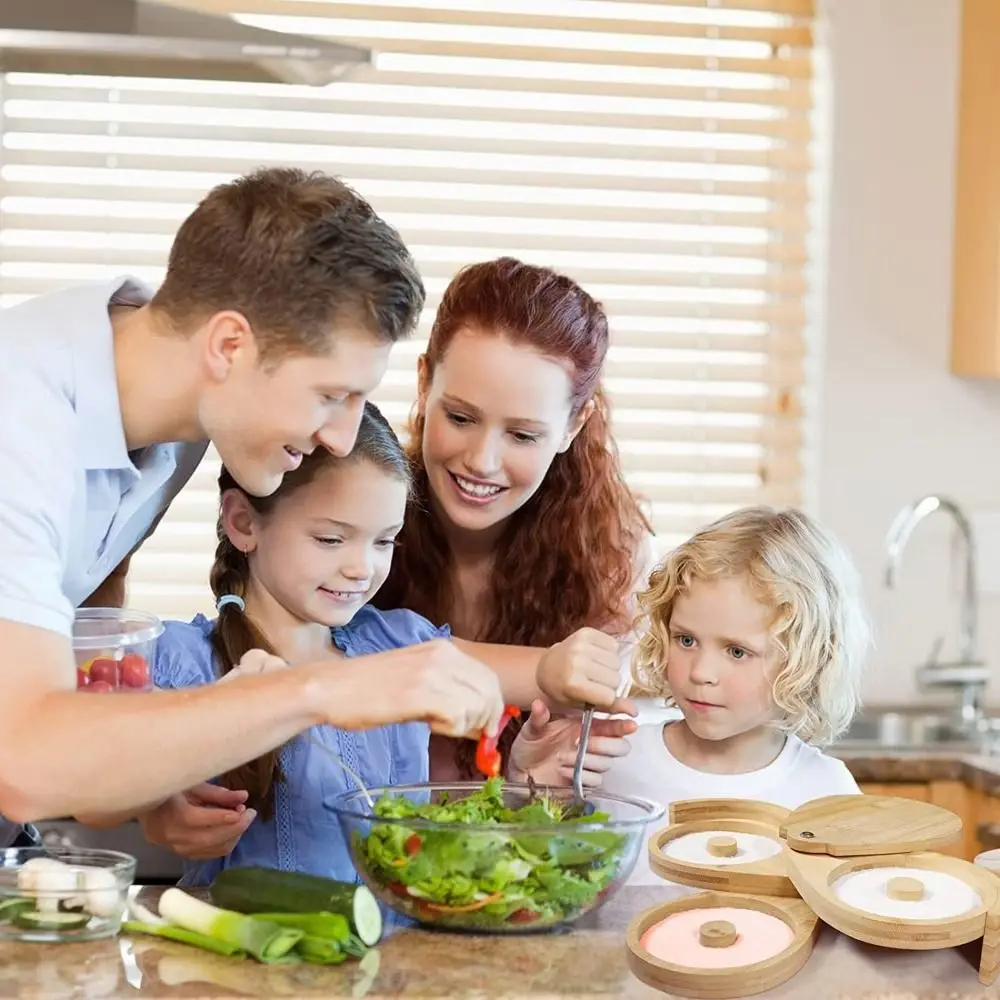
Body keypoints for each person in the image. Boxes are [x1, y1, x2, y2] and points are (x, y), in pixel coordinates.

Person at [0, 172, 614, 827]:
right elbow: (25, 765)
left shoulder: (170, 397)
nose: (342, 434)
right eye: (331, 395)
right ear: (230, 346)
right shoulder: (21, 426)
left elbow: (87, 579)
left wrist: (140, 773)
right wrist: (325, 687)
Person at [85, 403, 633, 883]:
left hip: (398, 958)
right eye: (330, 538)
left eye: (384, 541)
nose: (361, 568)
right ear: (243, 523)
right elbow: (94, 783)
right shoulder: (181, 659)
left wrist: (569, 669)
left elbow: (538, 675)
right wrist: (158, 801)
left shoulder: (398, 643)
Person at [376, 256, 655, 781]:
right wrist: (541, 673)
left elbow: (551, 811)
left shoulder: (613, 559)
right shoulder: (352, 508)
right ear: (423, 382)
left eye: (523, 435)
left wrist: (526, 789)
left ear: (574, 425)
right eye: (460, 417)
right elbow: (332, 668)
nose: (481, 461)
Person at [600, 506, 873, 885]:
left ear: (806, 660)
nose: (701, 673)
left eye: (737, 652)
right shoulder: (612, 761)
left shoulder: (828, 793)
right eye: (686, 640)